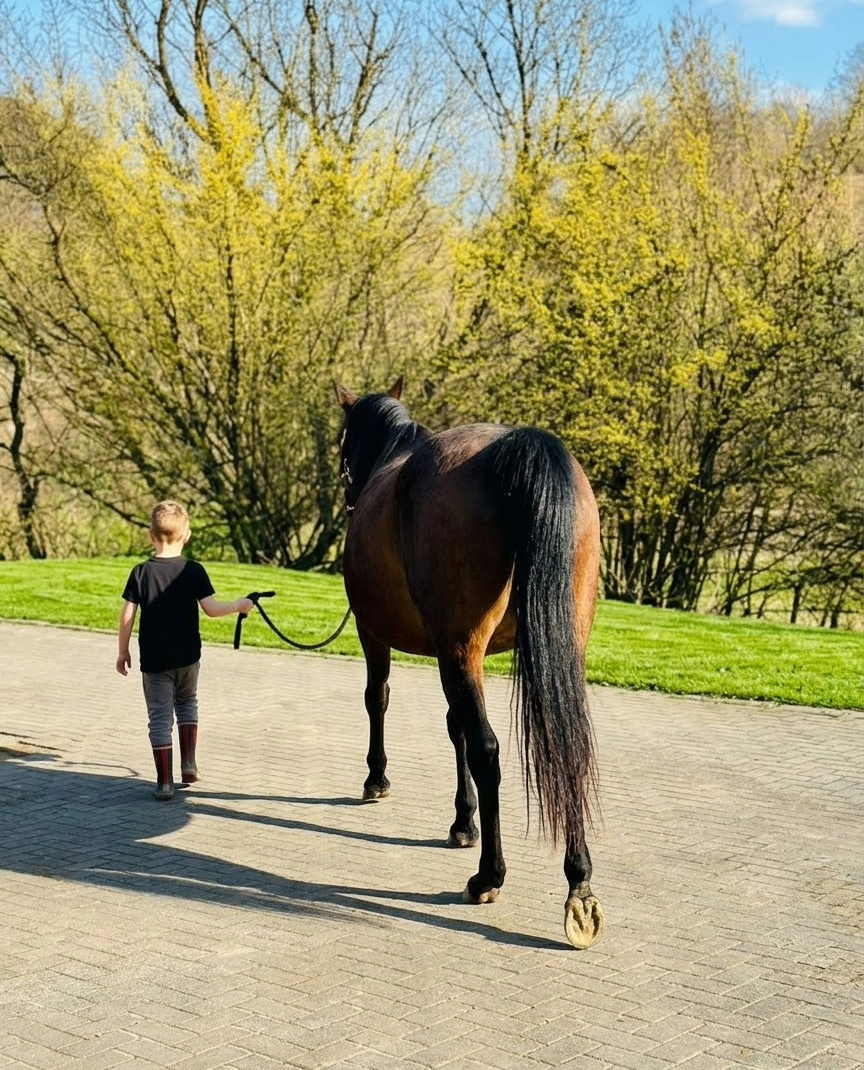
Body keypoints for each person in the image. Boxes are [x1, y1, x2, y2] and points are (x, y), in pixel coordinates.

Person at [116, 500, 254, 800]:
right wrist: (240, 605)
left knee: (160, 717)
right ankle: (189, 764)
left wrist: (122, 651)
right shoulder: (193, 570)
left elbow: (127, 615)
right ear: (186, 535)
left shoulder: (140, 572)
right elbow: (212, 609)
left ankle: (165, 782)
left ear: (150, 536)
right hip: (188, 658)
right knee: (187, 703)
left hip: (154, 662)